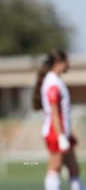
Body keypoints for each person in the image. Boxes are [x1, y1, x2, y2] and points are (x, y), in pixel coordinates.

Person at [33, 49, 85, 190]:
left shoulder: (56, 81)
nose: (68, 64)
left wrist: (68, 134)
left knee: (74, 170)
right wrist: (61, 136)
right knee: (54, 169)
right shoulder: (52, 83)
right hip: (55, 132)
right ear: (58, 63)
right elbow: (55, 113)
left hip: (62, 132)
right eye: (66, 61)